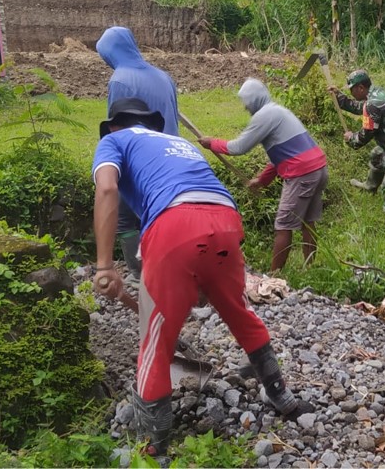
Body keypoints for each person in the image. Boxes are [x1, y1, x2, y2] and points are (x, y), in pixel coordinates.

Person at [91, 97, 303, 456]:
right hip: (225, 221)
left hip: (175, 226)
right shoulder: (176, 144)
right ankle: (282, 396)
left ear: (115, 125)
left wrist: (104, 265)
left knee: (154, 344)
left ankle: (152, 450)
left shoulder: (113, 140)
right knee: (240, 313)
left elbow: (108, 189)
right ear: (149, 124)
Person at [198, 78, 329, 271]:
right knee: (307, 223)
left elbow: (239, 147)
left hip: (302, 174)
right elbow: (283, 154)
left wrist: (212, 143)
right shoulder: (278, 111)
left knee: (283, 226)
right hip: (318, 168)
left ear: (253, 100)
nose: (245, 107)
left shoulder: (265, 116)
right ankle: (310, 268)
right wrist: (263, 179)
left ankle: (274, 275)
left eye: (246, 102)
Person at [96, 26, 179, 283]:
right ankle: (165, 267)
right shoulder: (164, 77)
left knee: (124, 218)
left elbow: (117, 127)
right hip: (171, 156)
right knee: (156, 214)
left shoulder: (120, 79)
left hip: (137, 159)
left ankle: (139, 273)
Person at [329, 69, 385, 238]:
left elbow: (366, 134)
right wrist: (340, 98)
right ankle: (369, 187)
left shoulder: (373, 104)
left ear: (361, 88)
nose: (350, 91)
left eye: (352, 89)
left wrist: (351, 139)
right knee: (377, 156)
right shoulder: (377, 93)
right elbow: (361, 108)